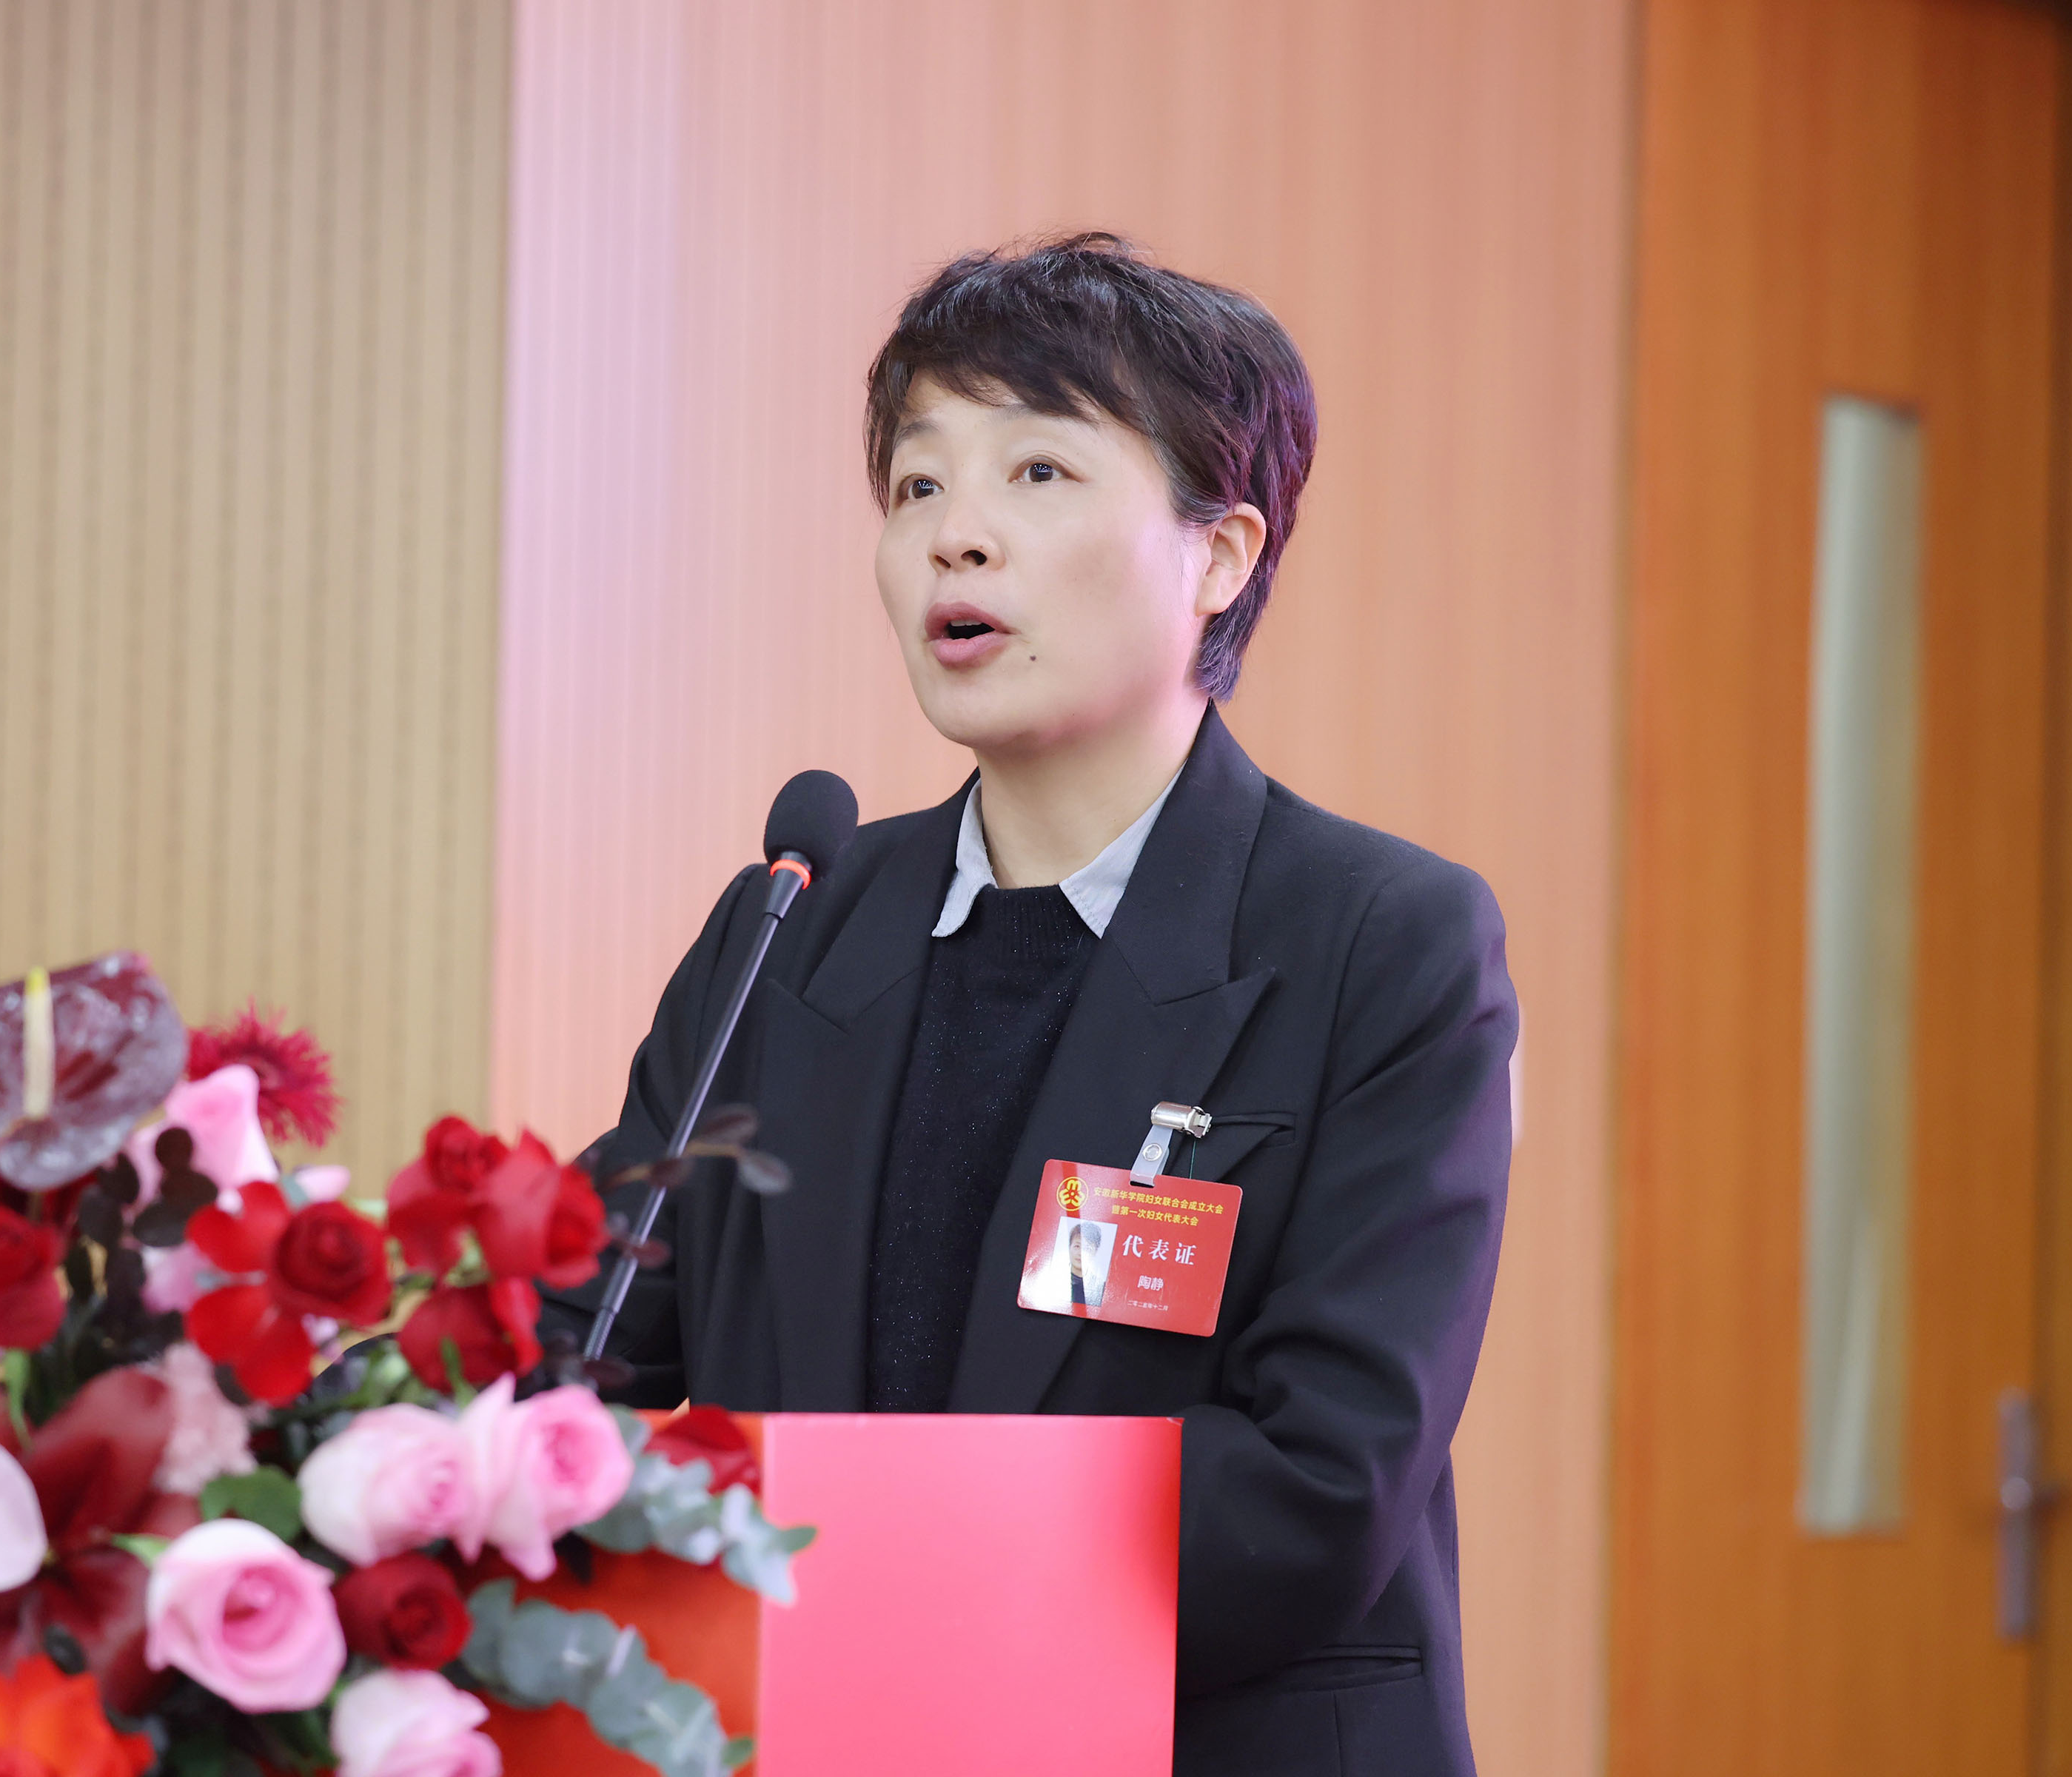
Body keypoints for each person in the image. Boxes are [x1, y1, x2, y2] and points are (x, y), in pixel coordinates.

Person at [545, 234, 1515, 1776]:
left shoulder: (1380, 943)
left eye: (1040, 473)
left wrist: (832, 1561)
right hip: (809, 1740)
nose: (956, 537)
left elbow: (1317, 1487)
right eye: (918, 484)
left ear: (1221, 554)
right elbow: (583, 1337)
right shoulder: (792, 922)